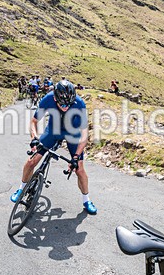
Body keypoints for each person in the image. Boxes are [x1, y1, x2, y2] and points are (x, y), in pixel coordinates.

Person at [10, 79, 98, 214]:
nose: (65, 107)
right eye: (62, 104)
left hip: (72, 133)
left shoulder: (79, 104)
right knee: (32, 161)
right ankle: (21, 188)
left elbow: (84, 135)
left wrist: (75, 157)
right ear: (55, 98)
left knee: (79, 169)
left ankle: (86, 200)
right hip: (53, 130)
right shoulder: (48, 99)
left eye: (68, 104)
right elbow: (33, 122)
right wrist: (34, 138)